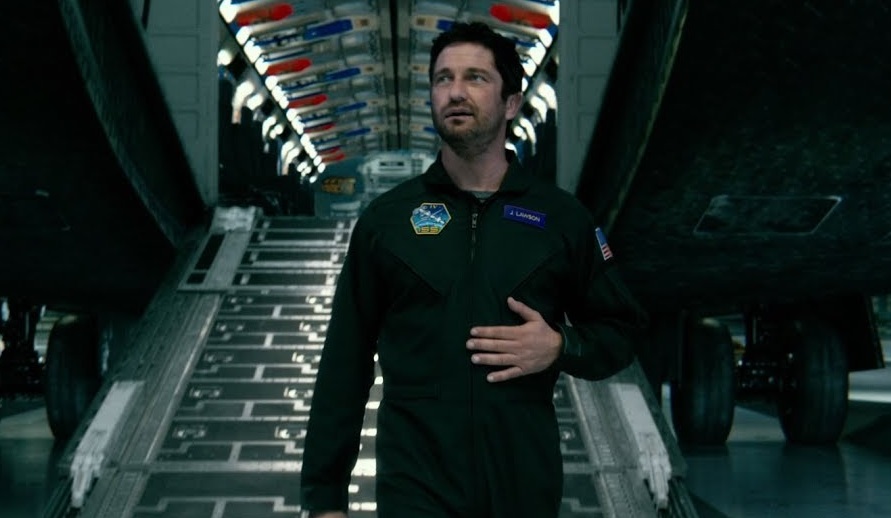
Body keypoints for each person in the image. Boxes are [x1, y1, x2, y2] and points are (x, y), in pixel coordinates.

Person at [299, 21, 648, 518]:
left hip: (522, 488)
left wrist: (560, 346)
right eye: (443, 79)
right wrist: (324, 498)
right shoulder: (387, 222)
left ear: (511, 103)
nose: (455, 92)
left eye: (475, 78)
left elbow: (623, 330)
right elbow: (344, 364)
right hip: (415, 489)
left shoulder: (562, 220)